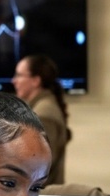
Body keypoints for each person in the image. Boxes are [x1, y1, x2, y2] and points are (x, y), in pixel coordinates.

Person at [12, 54, 71, 185]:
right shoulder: (40, 108)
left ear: (35, 81)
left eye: (19, 75)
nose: (13, 81)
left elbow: (39, 168)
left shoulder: (43, 114)